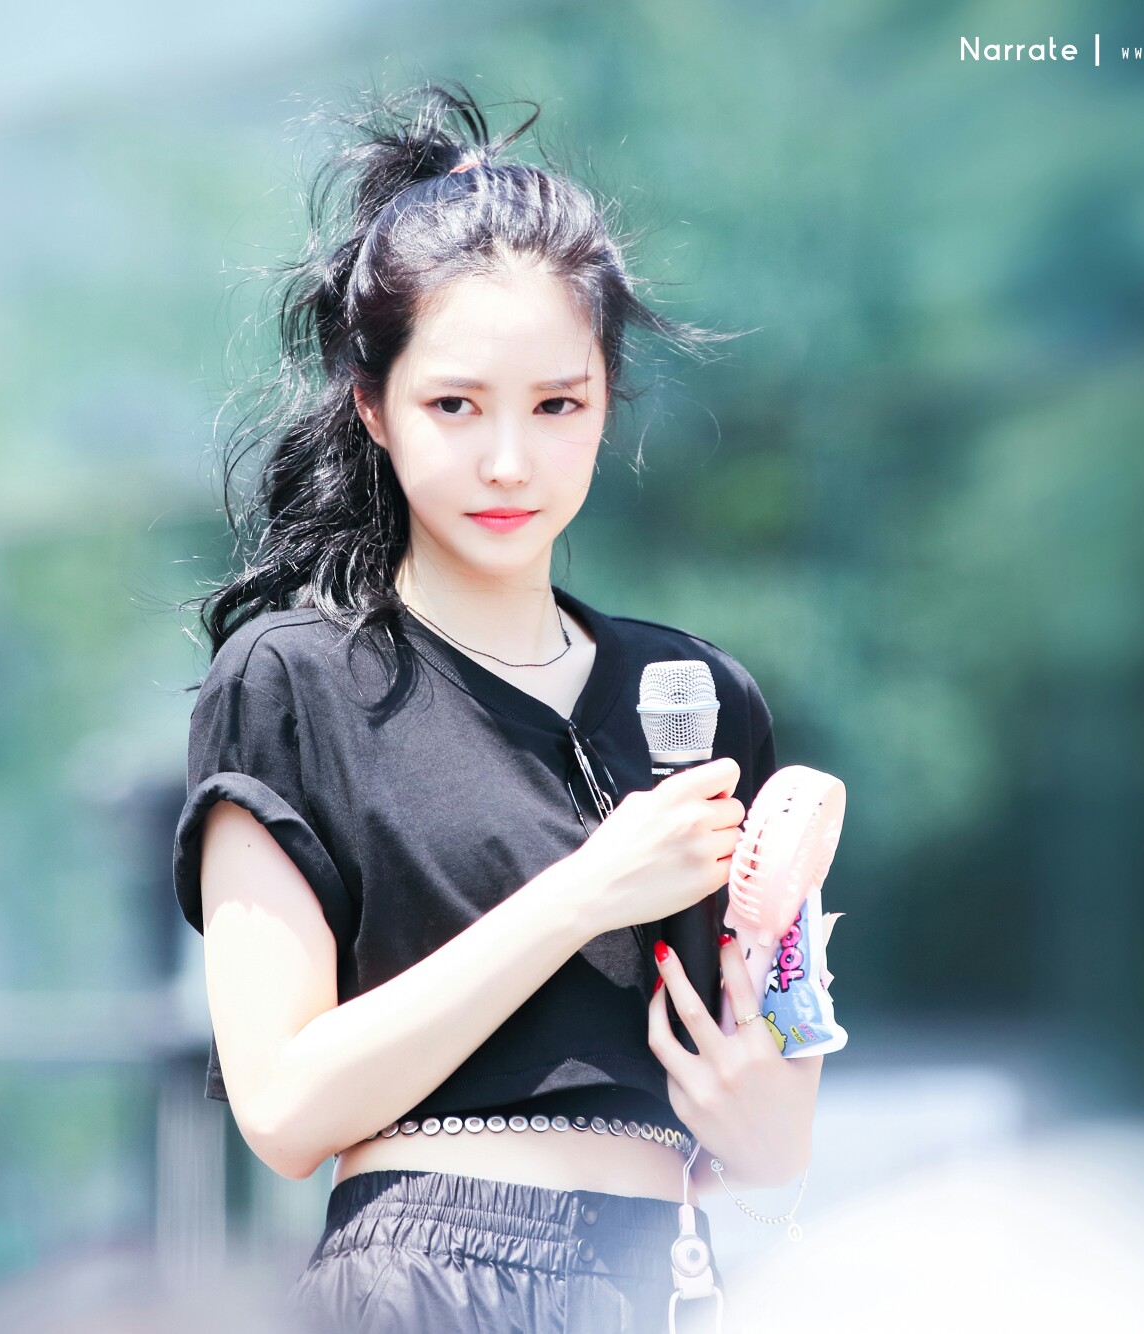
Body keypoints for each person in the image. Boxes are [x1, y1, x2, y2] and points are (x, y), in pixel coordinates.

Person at [172, 80, 824, 1333]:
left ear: (606, 397)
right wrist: (587, 890)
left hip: (666, 1281)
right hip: (422, 1279)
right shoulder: (294, 681)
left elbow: (773, 1134)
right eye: (455, 405)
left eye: (556, 404)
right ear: (371, 406)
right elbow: (285, 1109)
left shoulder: (700, 697)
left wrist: (762, 1103)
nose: (510, 461)